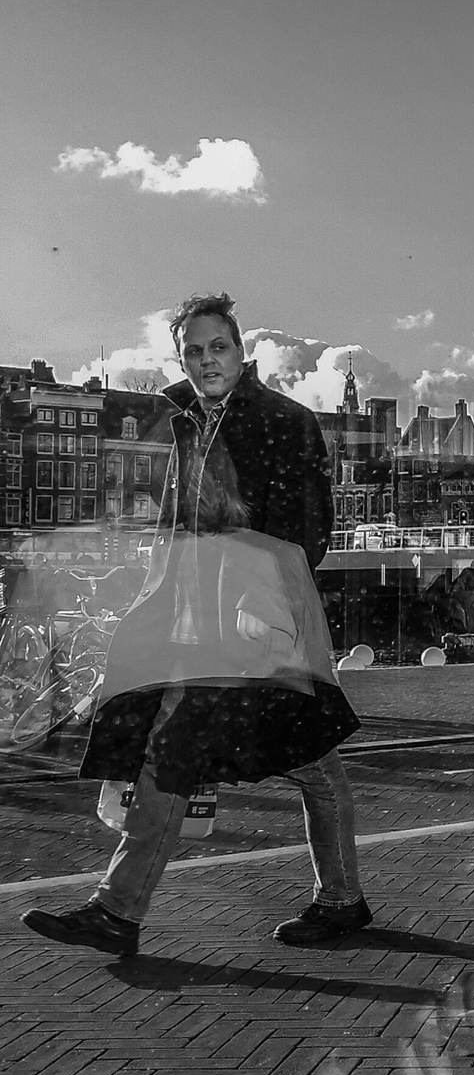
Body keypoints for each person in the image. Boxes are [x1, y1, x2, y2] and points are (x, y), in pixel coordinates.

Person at [22, 293, 367, 958]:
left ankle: (120, 912)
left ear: (242, 352)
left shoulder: (281, 421)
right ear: (180, 357)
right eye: (195, 350)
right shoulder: (183, 421)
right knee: (260, 757)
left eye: (219, 348)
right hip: (194, 616)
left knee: (282, 760)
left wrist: (257, 600)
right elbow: (177, 523)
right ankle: (335, 899)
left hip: (254, 620)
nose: (208, 360)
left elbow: (306, 528)